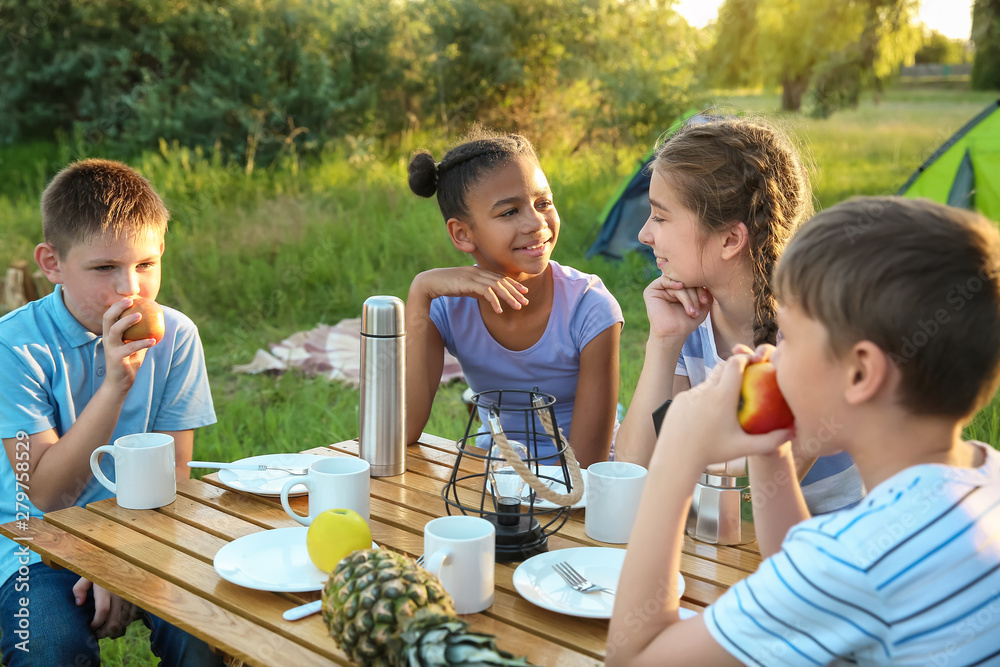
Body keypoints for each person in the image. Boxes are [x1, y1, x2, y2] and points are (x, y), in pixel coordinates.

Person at [608, 197, 1000, 666]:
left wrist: (675, 454)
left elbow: (632, 659)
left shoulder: (853, 562)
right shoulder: (982, 473)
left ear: (859, 374)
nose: (770, 354)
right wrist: (768, 444)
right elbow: (791, 574)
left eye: (789, 336)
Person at [0, 159, 223, 666]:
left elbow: (177, 474)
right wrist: (115, 384)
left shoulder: (175, 336)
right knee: (48, 646)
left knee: (209, 635)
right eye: (105, 268)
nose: (132, 289)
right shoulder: (14, 347)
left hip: (146, 528)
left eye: (145, 264)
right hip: (34, 544)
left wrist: (125, 558)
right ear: (51, 263)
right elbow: (47, 492)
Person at [615, 117, 864, 514]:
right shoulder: (692, 320)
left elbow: (750, 503)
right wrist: (663, 343)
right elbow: (630, 473)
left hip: (832, 538)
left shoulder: (817, 334)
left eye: (660, 217)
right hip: (730, 534)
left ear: (730, 239)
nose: (645, 234)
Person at [405, 129, 623, 466]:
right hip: (494, 474)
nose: (536, 222)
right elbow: (402, 430)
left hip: (579, 483)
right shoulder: (446, 306)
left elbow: (584, 467)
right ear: (462, 234)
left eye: (543, 203)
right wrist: (421, 290)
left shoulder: (589, 307)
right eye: (509, 212)